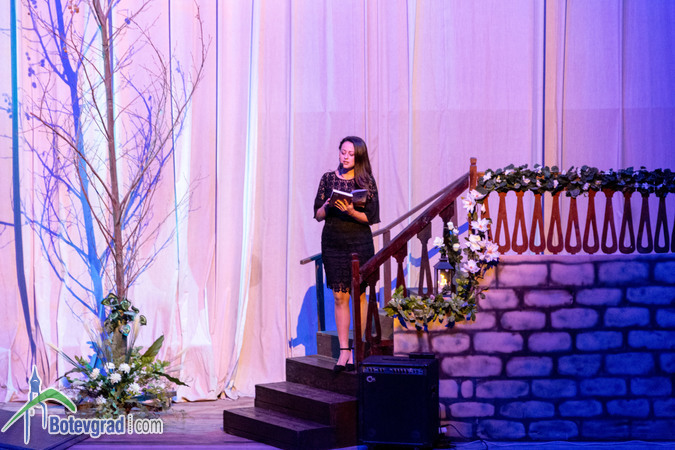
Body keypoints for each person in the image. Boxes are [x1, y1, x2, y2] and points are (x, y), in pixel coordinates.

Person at [314, 136, 380, 373]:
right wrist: (327, 205)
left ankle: (358, 346)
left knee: (358, 294)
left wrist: (351, 211)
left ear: (359, 156)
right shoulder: (328, 178)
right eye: (343, 152)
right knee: (339, 297)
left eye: (351, 154)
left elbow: (371, 217)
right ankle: (344, 351)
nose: (346, 157)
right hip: (333, 243)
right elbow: (318, 215)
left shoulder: (366, 181)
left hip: (358, 243)